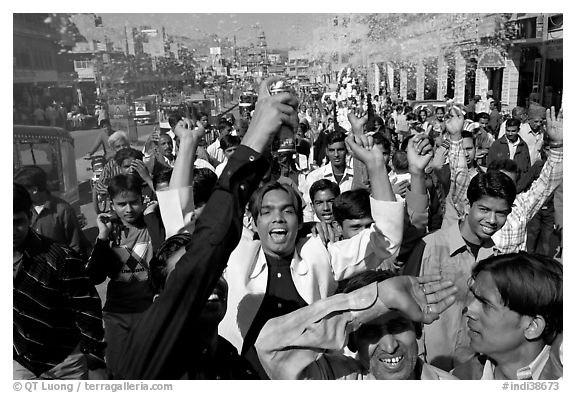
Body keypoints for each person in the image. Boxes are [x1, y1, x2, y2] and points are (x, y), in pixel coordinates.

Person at [114, 76, 299, 379]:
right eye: (192, 275)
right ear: (160, 302)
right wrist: (253, 139)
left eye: (216, 272)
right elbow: (204, 245)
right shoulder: (146, 359)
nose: (209, 279)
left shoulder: (232, 363)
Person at [220, 132, 405, 378]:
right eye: (267, 211)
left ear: (300, 220)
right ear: (253, 223)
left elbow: (385, 241)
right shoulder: (235, 258)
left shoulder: (317, 254)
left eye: (288, 211)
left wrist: (376, 165)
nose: (278, 218)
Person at [403, 167, 517, 371]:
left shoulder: (497, 259)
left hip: (471, 367)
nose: (492, 220)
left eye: (500, 213)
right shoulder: (430, 246)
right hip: (426, 366)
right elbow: (406, 310)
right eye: (484, 209)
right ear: (467, 205)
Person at [255, 270, 458, 380]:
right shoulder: (337, 378)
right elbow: (271, 348)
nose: (389, 346)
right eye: (370, 332)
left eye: (397, 327)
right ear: (351, 342)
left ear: (418, 329)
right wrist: (378, 298)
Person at [13, 183, 106, 379]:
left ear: (30, 216)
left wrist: (94, 358)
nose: (11, 231)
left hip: (65, 364)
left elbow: (87, 309)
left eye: (17, 222)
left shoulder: (60, 258)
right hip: (20, 364)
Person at [85, 174, 165, 378]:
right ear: (112, 204)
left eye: (134, 203)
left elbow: (162, 257)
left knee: (151, 370)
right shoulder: (110, 232)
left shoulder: (152, 225)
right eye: (122, 204)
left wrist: (151, 217)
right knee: (119, 371)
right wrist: (102, 238)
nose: (129, 210)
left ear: (143, 200)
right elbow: (94, 277)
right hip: (117, 315)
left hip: (149, 311)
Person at [452, 253, 562, 380]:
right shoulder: (460, 377)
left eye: (486, 304)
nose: (468, 310)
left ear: (532, 326)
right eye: (474, 298)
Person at [14, 165, 90, 259]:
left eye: (22, 190)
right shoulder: (23, 210)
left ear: (34, 190)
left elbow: (75, 245)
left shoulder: (62, 210)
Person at [301, 130, 354, 222]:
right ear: (326, 151)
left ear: (346, 151)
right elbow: (308, 210)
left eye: (340, 150)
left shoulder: (354, 176)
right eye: (332, 150)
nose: (336, 155)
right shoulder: (314, 176)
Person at [487, 118, 531, 190]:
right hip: (499, 185)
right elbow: (489, 165)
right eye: (508, 131)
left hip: (518, 186)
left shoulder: (523, 146)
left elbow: (527, 166)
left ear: (518, 130)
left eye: (513, 131)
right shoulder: (497, 144)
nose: (510, 134)